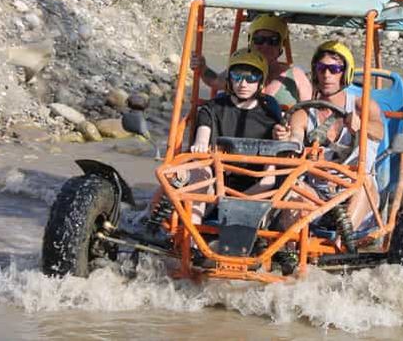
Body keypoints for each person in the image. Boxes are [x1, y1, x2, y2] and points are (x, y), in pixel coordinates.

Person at [141, 49, 287, 233]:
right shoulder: (213, 108)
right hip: (214, 184)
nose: (243, 83)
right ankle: (191, 240)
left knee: (281, 183)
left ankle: (281, 247)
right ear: (229, 79)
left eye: (251, 78)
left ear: (260, 81)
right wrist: (201, 145)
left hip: (255, 189)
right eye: (237, 76)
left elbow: (270, 174)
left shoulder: (270, 118)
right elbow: (203, 133)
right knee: (199, 171)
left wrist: (282, 137)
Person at [280, 41, 384, 233]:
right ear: (315, 72)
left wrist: (361, 126)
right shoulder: (303, 114)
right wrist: (288, 140)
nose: (327, 75)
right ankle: (290, 252)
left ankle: (343, 241)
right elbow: (295, 137)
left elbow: (379, 131)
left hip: (355, 194)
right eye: (322, 69)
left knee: (365, 183)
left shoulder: (362, 106)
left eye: (334, 69)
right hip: (316, 196)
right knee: (291, 186)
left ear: (345, 73)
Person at [191, 14, 312, 106]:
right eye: (259, 40)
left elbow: (308, 110)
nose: (265, 46)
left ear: (280, 47)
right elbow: (216, 81)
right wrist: (202, 67)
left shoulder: (295, 75)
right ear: (251, 43)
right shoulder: (240, 69)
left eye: (272, 41)